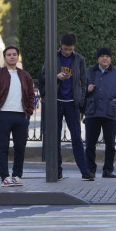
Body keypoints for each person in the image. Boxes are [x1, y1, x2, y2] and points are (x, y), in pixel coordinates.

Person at [37, 32, 89, 180]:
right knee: (55, 138)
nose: (67, 52)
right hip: (56, 102)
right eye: (65, 49)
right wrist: (56, 76)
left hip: (72, 103)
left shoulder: (79, 59)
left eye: (70, 49)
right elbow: (43, 77)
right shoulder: (53, 57)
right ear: (61, 45)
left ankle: (84, 171)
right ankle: (57, 171)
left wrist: (81, 99)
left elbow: (84, 81)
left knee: (77, 138)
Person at [0, 45, 35, 187]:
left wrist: (29, 112)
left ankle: (17, 175)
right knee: (3, 147)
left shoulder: (25, 76)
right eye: (9, 55)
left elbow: (31, 95)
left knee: (20, 147)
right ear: (5, 57)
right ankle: (4, 177)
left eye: (14, 54)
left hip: (21, 116)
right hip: (3, 115)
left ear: (18, 57)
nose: (12, 56)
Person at [84, 47, 116, 180]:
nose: (105, 58)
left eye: (107, 56)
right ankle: (90, 170)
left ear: (110, 58)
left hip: (109, 112)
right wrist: (87, 89)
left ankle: (108, 169)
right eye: (102, 56)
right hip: (92, 112)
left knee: (110, 144)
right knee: (90, 144)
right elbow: (79, 88)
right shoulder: (89, 72)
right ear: (98, 58)